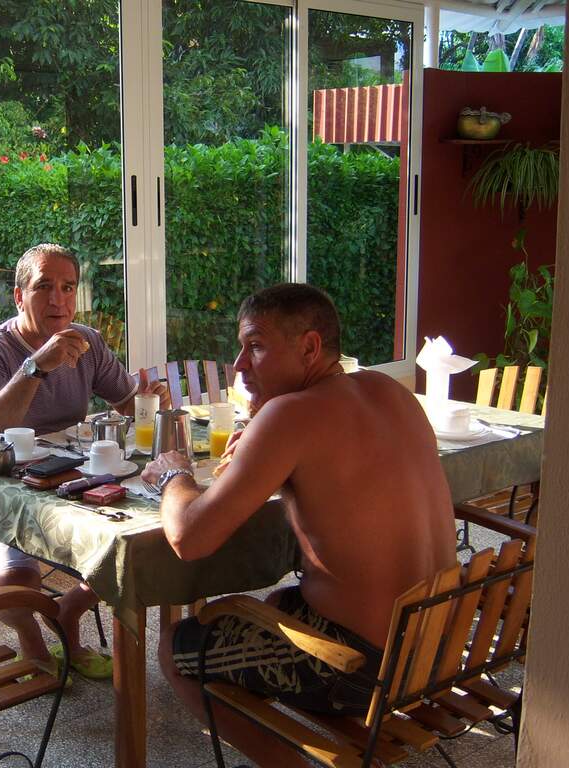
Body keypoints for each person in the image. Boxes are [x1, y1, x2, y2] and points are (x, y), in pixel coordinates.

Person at [142, 283, 456, 767]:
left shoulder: (291, 415)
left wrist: (173, 474)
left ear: (309, 347)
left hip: (361, 665)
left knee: (175, 648)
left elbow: (189, 537)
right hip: (436, 645)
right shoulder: (390, 391)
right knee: (275, 605)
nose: (239, 364)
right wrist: (262, 439)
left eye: (256, 346)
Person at [0, 242, 170, 680]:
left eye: (68, 287)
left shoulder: (86, 342)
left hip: (71, 483)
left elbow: (127, 400)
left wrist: (148, 400)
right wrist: (35, 366)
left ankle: (68, 614)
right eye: (43, 287)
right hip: (5, 488)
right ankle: (34, 646)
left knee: (133, 546)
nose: (57, 299)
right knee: (14, 587)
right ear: (19, 296)